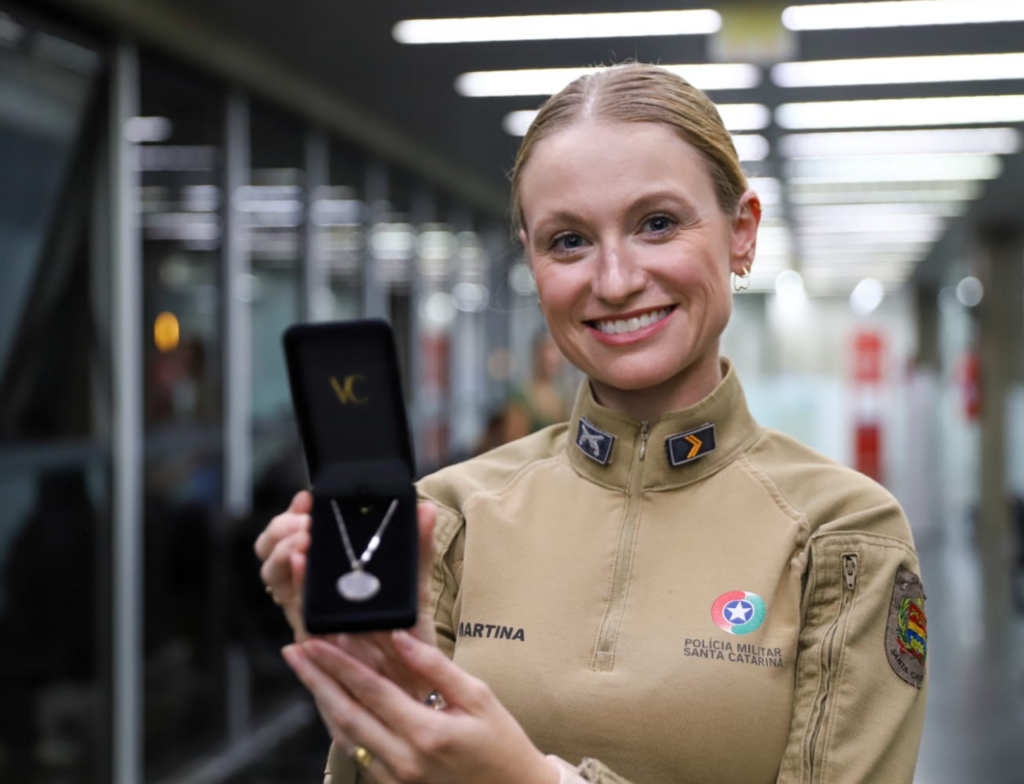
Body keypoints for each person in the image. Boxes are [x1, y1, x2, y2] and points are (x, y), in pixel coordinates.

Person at [255, 62, 927, 784]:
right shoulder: (444, 518)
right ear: (533, 262)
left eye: (657, 224)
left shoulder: (843, 534)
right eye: (568, 241)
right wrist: (371, 679)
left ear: (741, 233)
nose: (613, 280)